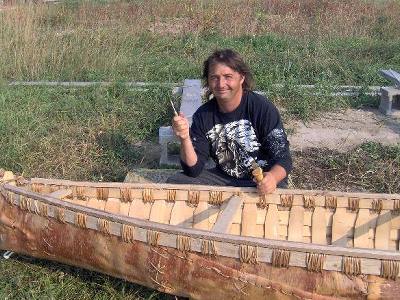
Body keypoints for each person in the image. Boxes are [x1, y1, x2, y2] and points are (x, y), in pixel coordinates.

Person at [167, 49, 292, 194]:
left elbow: (284, 158)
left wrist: (272, 178)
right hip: (225, 180)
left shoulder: (261, 108)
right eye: (214, 77)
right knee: (176, 183)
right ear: (208, 81)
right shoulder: (203, 115)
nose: (221, 84)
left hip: (261, 180)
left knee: (277, 188)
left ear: (242, 77)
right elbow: (193, 169)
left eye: (228, 76)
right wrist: (184, 138)